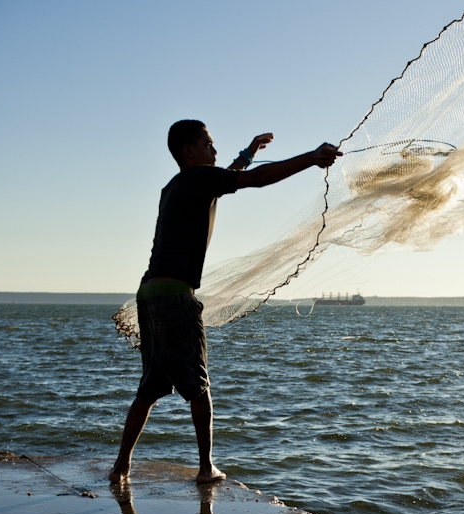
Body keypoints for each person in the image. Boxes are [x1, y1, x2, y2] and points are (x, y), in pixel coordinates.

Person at [109, 120, 341, 484]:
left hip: (149, 294)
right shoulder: (199, 178)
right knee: (199, 386)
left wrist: (248, 153)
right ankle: (206, 468)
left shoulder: (176, 185)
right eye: (208, 144)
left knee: (150, 388)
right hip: (175, 298)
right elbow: (256, 180)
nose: (214, 151)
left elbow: (229, 174)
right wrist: (312, 158)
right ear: (190, 151)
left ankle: (121, 465)